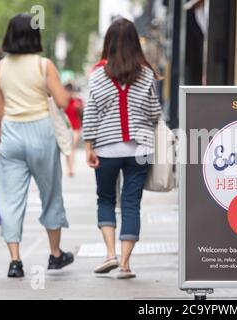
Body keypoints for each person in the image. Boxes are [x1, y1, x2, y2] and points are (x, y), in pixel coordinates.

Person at [0, 14, 74, 278]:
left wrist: (3, 140)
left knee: (10, 198)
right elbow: (62, 100)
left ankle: (15, 261)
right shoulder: (43, 65)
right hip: (40, 131)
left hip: (11, 134)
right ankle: (55, 254)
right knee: (50, 194)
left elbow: (0, 113)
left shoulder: (1, 68)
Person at [83, 18, 162, 279]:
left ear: (108, 43)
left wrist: (88, 146)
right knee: (131, 204)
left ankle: (109, 254)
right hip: (139, 151)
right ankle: (126, 265)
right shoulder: (147, 74)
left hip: (106, 149)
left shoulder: (97, 75)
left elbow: (91, 114)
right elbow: (154, 113)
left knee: (105, 199)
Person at [64, 83, 83, 177]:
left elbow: (82, 114)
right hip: (66, 128)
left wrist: (79, 107)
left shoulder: (77, 101)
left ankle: (71, 168)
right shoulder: (63, 101)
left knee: (72, 148)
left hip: (76, 128)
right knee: (68, 149)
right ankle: (69, 167)